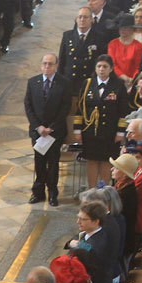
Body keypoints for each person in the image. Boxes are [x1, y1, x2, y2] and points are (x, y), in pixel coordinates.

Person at [24, 53, 72, 206]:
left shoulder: (64, 83)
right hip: (37, 131)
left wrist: (51, 128)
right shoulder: (33, 82)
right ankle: (38, 192)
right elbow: (28, 106)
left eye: (50, 64)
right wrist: (38, 127)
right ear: (41, 65)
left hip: (54, 131)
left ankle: (52, 192)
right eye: (44, 63)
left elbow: (65, 107)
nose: (47, 67)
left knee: (52, 163)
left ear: (56, 66)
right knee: (39, 162)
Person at [76, 55, 125, 189]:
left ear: (111, 69)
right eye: (99, 66)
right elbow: (80, 108)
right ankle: (91, 190)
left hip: (110, 131)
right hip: (90, 130)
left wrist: (121, 132)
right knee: (92, 161)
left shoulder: (118, 85)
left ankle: (103, 191)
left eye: (105, 67)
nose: (101, 69)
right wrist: (77, 130)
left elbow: (123, 110)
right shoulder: (87, 84)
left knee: (106, 162)